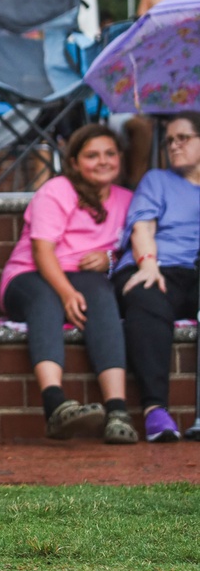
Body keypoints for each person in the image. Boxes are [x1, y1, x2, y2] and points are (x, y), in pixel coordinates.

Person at [0, 124, 136, 442]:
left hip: (85, 279)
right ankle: (55, 406)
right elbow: (42, 250)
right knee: (45, 298)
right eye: (91, 155)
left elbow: (129, 248)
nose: (102, 161)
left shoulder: (127, 199)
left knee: (103, 294)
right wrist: (66, 293)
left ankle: (117, 411)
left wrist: (109, 260)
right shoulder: (57, 190)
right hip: (29, 276)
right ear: (73, 162)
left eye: (110, 154)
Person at [113, 113, 200, 442]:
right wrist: (148, 263)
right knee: (146, 297)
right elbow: (143, 226)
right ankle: (155, 411)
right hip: (158, 265)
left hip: (195, 272)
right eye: (169, 140)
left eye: (183, 138)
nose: (174, 145)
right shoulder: (157, 180)